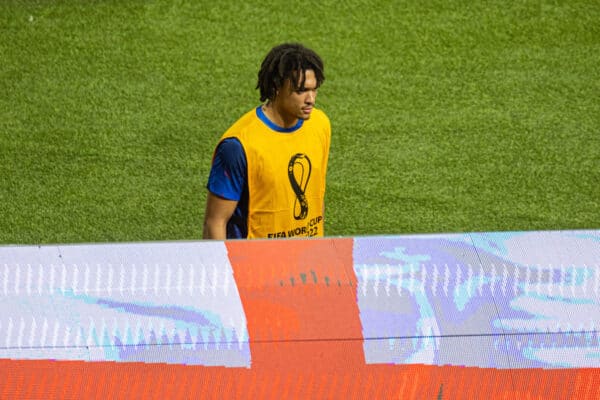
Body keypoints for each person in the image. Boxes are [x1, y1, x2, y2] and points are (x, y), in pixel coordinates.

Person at [203, 43, 331, 240]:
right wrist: (221, 269)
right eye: (301, 91)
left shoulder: (320, 124)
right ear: (276, 87)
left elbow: (316, 195)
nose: (311, 99)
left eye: (314, 90)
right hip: (254, 264)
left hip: (306, 259)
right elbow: (215, 222)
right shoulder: (238, 145)